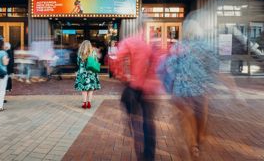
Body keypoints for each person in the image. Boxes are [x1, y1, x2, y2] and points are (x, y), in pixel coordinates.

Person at [158, 17, 241, 159]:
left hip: (181, 91)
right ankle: (199, 138)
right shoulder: (206, 47)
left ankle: (192, 146)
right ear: (199, 31)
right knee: (201, 117)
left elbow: (170, 67)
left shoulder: (178, 46)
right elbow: (215, 69)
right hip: (200, 91)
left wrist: (175, 81)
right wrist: (232, 90)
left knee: (186, 118)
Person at [113, 16, 163, 161]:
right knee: (149, 122)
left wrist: (123, 76)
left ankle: (138, 145)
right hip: (150, 90)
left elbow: (117, 60)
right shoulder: (155, 44)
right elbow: (160, 63)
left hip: (134, 87)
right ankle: (148, 156)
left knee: (136, 120)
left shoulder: (129, 41)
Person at [74, 40, 101, 109]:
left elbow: (78, 63)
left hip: (82, 73)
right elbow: (96, 62)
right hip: (91, 73)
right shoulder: (93, 53)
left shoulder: (80, 54)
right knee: (90, 89)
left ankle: (84, 103)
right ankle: (89, 103)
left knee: (84, 89)